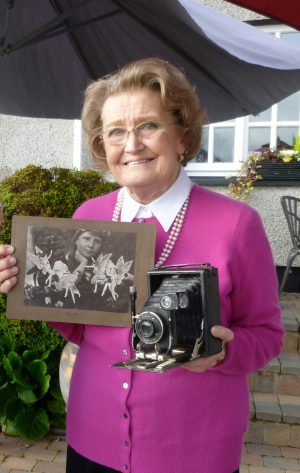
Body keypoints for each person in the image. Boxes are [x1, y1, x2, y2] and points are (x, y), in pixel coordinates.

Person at [0, 57, 284, 473]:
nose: (131, 144)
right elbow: (80, 328)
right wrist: (28, 285)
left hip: (193, 450)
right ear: (103, 146)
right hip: (92, 439)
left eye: (148, 125)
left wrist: (224, 351)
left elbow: (268, 335)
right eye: (115, 131)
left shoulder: (236, 224)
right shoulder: (88, 217)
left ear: (182, 136)